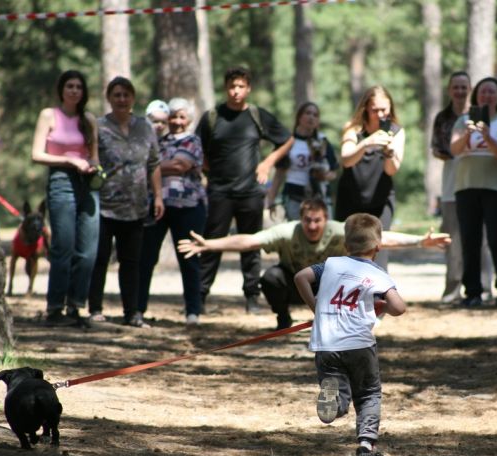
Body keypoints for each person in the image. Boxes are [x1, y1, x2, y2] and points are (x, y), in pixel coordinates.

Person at [177, 198, 448, 329]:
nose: (312, 225)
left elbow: (379, 238)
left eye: (317, 220)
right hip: (299, 283)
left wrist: (419, 242)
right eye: (308, 220)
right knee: (270, 277)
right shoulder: (287, 231)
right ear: (301, 218)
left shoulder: (338, 229)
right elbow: (248, 241)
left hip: (329, 288)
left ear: (325, 218)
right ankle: (283, 318)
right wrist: (209, 244)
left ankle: (345, 321)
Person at [293, 213, 407, 456]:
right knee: (368, 393)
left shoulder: (331, 265)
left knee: (335, 384)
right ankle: (366, 446)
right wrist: (382, 305)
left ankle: (335, 401)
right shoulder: (378, 274)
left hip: (326, 343)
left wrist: (316, 307)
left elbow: (300, 277)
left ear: (345, 245)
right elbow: (399, 307)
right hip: (359, 344)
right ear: (378, 246)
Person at [195, 66, 292, 314]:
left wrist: (267, 163)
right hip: (220, 192)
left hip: (250, 192)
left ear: (248, 89)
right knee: (211, 245)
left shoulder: (257, 116)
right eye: (231, 86)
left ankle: (251, 298)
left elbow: (286, 139)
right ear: (225, 88)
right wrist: (209, 175)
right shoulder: (212, 117)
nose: (236, 91)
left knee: (251, 246)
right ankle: (200, 297)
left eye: (240, 86)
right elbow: (199, 150)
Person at [88, 77, 163, 328]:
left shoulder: (145, 127)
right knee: (99, 259)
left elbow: (153, 163)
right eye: (117, 95)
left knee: (132, 263)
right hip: (105, 205)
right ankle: (95, 309)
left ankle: (132, 312)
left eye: (126, 95)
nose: (122, 99)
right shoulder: (98, 126)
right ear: (109, 98)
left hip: (137, 206)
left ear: (133, 98)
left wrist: (158, 195)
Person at [31, 70, 99, 326]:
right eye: (69, 86)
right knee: (64, 246)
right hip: (60, 180)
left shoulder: (89, 119)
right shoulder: (49, 115)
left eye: (78, 87)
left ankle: (76, 306)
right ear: (61, 89)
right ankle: (55, 307)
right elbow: (36, 154)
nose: (74, 91)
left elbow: (95, 156)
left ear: (84, 92)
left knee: (88, 250)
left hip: (87, 184)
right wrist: (70, 160)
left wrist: (91, 165)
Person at [138, 97, 207, 326]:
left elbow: (180, 165)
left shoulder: (193, 141)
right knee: (146, 258)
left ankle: (193, 311)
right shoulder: (158, 140)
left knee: (188, 258)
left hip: (189, 207)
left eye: (182, 116)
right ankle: (138, 309)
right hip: (157, 205)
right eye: (174, 116)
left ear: (189, 120)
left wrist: (150, 168)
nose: (177, 121)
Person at [450, 76, 497, 308]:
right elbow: (455, 149)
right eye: (483, 92)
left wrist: (487, 135)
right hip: (466, 187)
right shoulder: (462, 121)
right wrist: (469, 134)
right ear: (476, 95)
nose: (487, 95)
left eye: (492, 92)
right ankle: (473, 292)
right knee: (470, 241)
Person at [431, 71, 493, 304]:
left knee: (481, 239)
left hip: (478, 184)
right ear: (449, 90)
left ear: (470, 89)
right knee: (453, 241)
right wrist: (454, 150)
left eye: (463, 87)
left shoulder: (480, 114)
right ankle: (453, 289)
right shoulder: (442, 118)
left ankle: (484, 288)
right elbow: (437, 148)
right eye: (455, 87)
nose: (459, 91)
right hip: (451, 187)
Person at [335, 86, 406, 271]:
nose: (381, 114)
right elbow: (347, 160)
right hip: (350, 197)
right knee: (348, 250)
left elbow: (392, 170)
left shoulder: (396, 132)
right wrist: (367, 143)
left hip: (380, 200)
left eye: (385, 109)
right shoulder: (353, 129)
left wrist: (389, 152)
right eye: (375, 110)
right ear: (366, 108)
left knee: (378, 251)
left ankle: (377, 296)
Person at [266, 102, 339, 221]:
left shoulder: (322, 141)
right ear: (299, 117)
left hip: (320, 196)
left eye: (315, 115)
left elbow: (333, 172)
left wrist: (324, 176)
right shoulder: (288, 141)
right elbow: (279, 174)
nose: (311, 117)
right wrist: (270, 200)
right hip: (295, 196)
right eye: (308, 113)